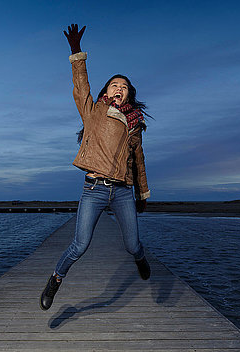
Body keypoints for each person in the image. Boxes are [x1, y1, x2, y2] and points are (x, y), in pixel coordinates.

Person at [40, 23, 152, 311]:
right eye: (115, 84)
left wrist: (142, 194)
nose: (119, 89)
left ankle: (140, 258)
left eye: (124, 87)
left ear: (128, 95)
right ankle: (55, 279)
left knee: (132, 245)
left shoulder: (135, 124)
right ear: (107, 90)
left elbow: (137, 160)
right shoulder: (93, 111)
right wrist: (77, 54)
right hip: (94, 189)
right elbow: (81, 88)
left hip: (124, 191)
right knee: (79, 245)